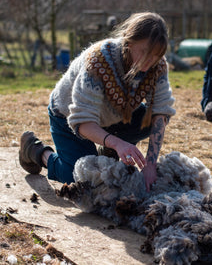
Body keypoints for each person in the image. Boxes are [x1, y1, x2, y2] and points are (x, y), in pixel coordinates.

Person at [19, 12, 176, 191]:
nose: (150, 61)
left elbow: (160, 112)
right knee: (81, 178)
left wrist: (150, 164)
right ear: (129, 41)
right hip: (69, 116)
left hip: (112, 115)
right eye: (145, 53)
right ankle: (36, 151)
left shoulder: (157, 66)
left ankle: (108, 153)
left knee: (150, 120)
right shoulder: (99, 61)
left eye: (156, 56)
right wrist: (118, 143)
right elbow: (82, 121)